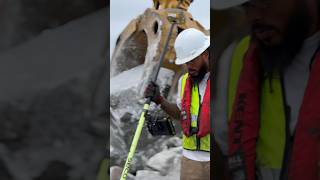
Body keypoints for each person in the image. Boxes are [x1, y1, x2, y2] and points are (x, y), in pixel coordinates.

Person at [212, 0, 320, 179]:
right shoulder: (236, 59)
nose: (253, 17)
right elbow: (223, 150)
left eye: (262, 2)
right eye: (247, 6)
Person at [144, 28, 210, 180]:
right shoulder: (184, 81)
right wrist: (160, 100)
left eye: (192, 60)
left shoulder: (222, 79)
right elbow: (181, 114)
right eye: (186, 62)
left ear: (205, 55)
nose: (189, 66)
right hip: (190, 161)